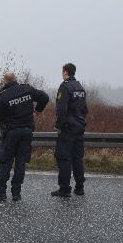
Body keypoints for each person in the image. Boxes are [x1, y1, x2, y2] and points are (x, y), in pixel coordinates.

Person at [0, 72, 49, 201]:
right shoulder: (27, 89)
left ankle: (0, 193)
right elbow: (45, 97)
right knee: (21, 162)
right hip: (27, 131)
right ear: (16, 79)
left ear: (4, 81)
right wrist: (38, 111)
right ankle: (16, 193)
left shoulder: (3, 96)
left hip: (11, 132)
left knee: (5, 161)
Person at [51, 63, 88, 197]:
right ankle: (80, 187)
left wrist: (59, 125)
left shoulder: (65, 87)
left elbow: (62, 109)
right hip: (79, 126)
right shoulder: (80, 87)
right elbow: (85, 109)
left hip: (68, 127)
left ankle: (64, 188)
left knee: (64, 157)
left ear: (65, 72)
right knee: (77, 157)